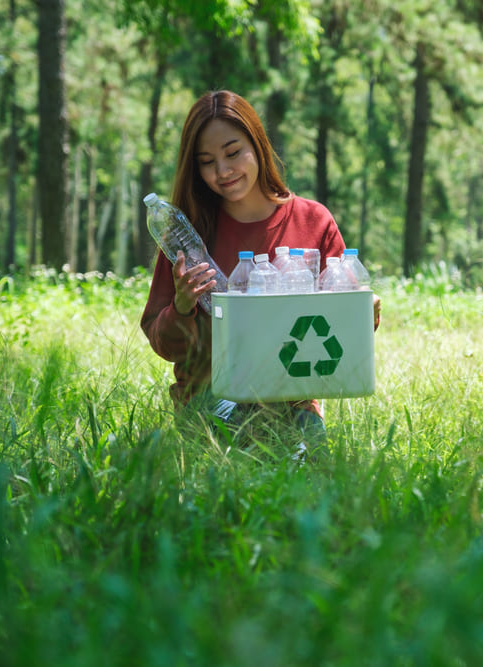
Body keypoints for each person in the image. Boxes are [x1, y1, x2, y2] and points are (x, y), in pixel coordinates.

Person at [141, 90, 381, 455]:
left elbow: (342, 331)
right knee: (259, 458)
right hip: (211, 400)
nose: (222, 172)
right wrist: (183, 305)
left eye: (233, 153)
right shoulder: (188, 239)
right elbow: (164, 344)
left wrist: (365, 311)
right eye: (207, 162)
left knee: (309, 470)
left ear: (258, 142)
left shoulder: (312, 221)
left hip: (295, 404)